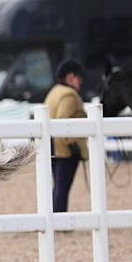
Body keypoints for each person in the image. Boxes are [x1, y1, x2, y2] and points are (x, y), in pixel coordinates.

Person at [46, 58, 88, 213]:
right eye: (79, 77)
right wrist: (72, 144)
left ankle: (55, 216)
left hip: (53, 147)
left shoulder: (54, 92)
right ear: (70, 76)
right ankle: (59, 218)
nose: (81, 81)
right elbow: (63, 122)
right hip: (65, 150)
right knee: (63, 186)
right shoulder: (69, 95)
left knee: (58, 185)